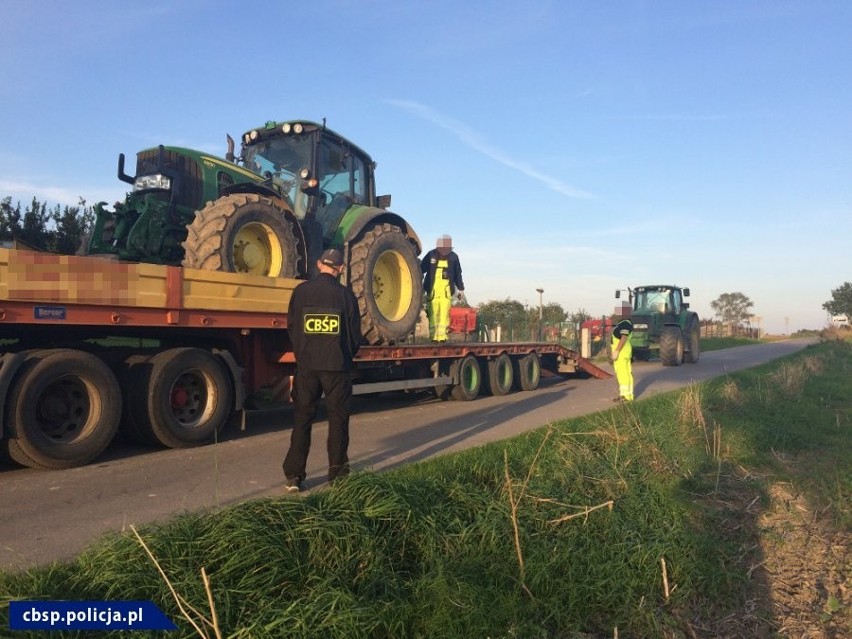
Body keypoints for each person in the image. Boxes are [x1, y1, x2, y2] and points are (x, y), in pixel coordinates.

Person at [282, 248, 362, 492]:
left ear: (319, 264)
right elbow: (354, 338)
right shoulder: (346, 296)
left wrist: (303, 353)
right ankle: (337, 476)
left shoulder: (300, 292)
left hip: (307, 367)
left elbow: (292, 328)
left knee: (302, 418)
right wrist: (343, 356)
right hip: (336, 367)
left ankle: (294, 476)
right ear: (339, 269)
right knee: (338, 420)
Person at [421, 234, 465, 343]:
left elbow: (458, 274)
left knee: (444, 314)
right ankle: (434, 337)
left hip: (446, 292)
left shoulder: (454, 257)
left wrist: (461, 289)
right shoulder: (431, 255)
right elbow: (420, 269)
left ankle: (442, 338)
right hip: (433, 291)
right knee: (433, 313)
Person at [611, 309, 634, 402]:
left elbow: (623, 337)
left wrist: (616, 351)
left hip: (622, 352)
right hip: (623, 352)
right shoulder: (623, 323)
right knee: (622, 374)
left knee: (623, 373)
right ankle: (623, 394)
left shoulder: (625, 323)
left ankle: (627, 396)